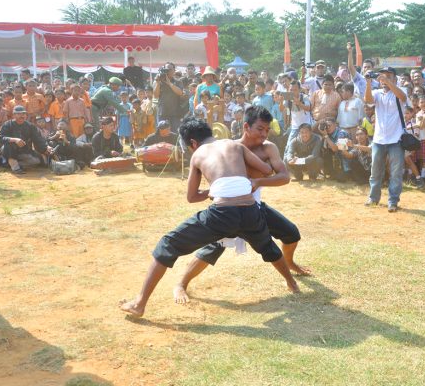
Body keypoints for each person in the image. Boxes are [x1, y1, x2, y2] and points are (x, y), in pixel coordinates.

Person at [120, 119, 299, 317]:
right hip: (250, 209)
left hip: (222, 213)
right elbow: (266, 170)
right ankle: (292, 283)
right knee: (267, 246)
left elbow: (192, 197)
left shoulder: (198, 155)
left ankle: (139, 303)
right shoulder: (234, 145)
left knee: (167, 244)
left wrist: (214, 188)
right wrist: (238, 178)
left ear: (193, 143)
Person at [173, 107, 308, 304]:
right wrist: (216, 194)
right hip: (227, 209)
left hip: (255, 206)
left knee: (291, 233)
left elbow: (284, 177)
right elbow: (210, 182)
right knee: (213, 248)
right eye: (260, 129)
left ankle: (289, 264)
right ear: (246, 126)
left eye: (267, 130)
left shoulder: (269, 148)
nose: (264, 134)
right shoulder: (230, 147)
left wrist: (259, 182)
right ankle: (181, 284)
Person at [364, 67, 408, 212]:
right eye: (383, 76)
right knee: (375, 171)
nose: (384, 78)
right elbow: (368, 100)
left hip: (396, 139)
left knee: (396, 173)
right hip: (378, 139)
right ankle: (373, 198)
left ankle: (393, 201)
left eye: (389, 76)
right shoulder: (377, 93)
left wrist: (389, 82)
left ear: (395, 78)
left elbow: (403, 97)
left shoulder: (400, 90)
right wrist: (369, 82)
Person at [0, 105, 53, 174]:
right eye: (19, 114)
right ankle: (15, 167)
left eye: (23, 114)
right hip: (9, 149)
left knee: (37, 161)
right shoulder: (7, 124)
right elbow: (1, 138)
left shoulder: (30, 126)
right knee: (8, 146)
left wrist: (46, 147)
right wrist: (15, 140)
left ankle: (11, 164)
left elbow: (38, 139)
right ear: (14, 115)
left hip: (24, 150)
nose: (22, 116)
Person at [154, 62, 185, 131]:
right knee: (162, 134)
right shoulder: (159, 81)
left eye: (170, 69)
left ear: (174, 70)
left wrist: (169, 83)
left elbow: (180, 93)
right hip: (162, 112)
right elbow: (156, 95)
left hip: (175, 113)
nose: (167, 71)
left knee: (174, 134)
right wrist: (158, 82)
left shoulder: (178, 81)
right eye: (166, 70)